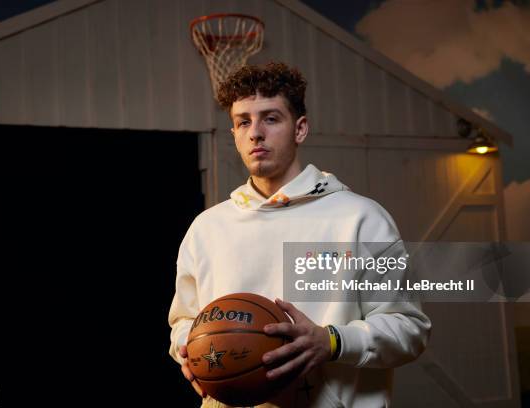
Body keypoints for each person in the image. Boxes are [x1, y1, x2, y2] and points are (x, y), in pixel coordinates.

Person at [168, 62, 431, 407]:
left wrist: (332, 341)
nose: (255, 133)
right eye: (243, 121)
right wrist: (194, 350)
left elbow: (409, 328)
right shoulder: (207, 227)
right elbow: (184, 321)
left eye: (271, 118)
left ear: (300, 128)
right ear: (233, 133)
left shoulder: (360, 218)